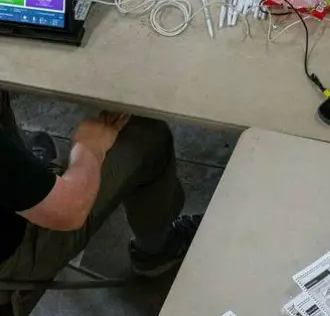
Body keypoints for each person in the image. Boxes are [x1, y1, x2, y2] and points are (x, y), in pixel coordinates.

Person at [0, 94, 201, 282]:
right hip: (11, 260)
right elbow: (70, 209)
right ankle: (156, 253)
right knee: (144, 134)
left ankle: (20, 171)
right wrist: (90, 148)